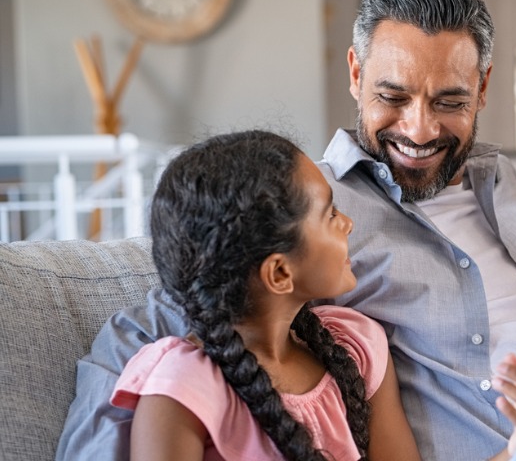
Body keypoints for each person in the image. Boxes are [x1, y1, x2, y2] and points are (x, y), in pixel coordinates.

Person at [58, 0, 516, 461]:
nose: (420, 129)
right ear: (356, 74)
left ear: (482, 88)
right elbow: (148, 328)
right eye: (394, 96)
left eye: (450, 101)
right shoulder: (302, 213)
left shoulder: (504, 188)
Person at [111, 130, 418, 460]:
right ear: (280, 273)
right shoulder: (182, 386)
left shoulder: (356, 346)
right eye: (330, 215)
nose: (348, 224)